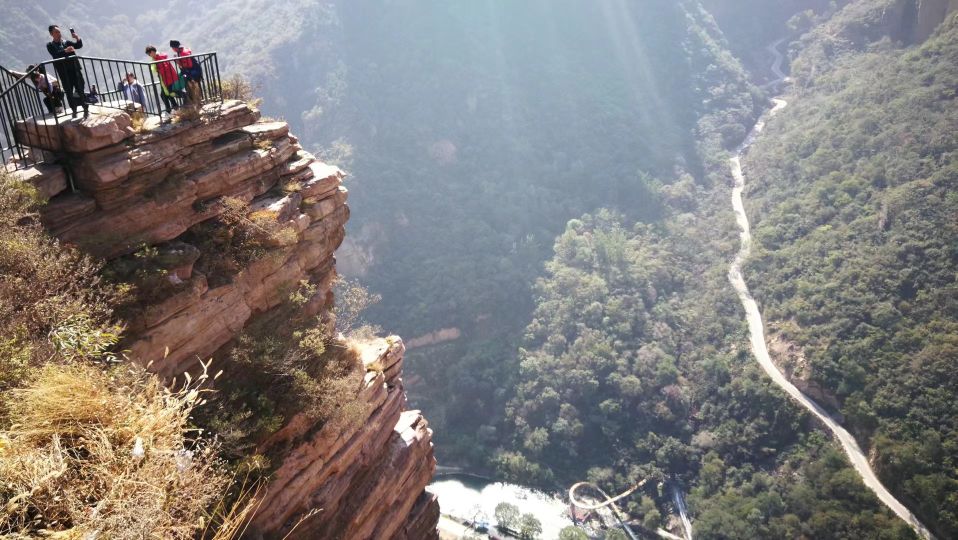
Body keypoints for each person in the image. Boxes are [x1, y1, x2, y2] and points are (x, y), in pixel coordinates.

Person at [46, 24, 88, 118]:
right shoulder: (50, 45)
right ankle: (74, 110)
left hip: (75, 69)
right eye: (56, 32)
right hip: (64, 73)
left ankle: (85, 108)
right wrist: (66, 51)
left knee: (80, 88)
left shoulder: (66, 42)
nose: (59, 33)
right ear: (51, 34)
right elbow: (55, 55)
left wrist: (77, 37)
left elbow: (78, 45)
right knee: (69, 91)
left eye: (59, 31)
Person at [145, 44, 183, 118]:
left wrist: (158, 70)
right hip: (166, 79)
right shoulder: (157, 57)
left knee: (169, 93)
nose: (149, 55)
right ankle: (173, 109)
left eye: (149, 53)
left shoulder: (159, 58)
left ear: (153, 51)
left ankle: (184, 97)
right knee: (165, 94)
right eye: (148, 54)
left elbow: (164, 67)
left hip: (168, 78)